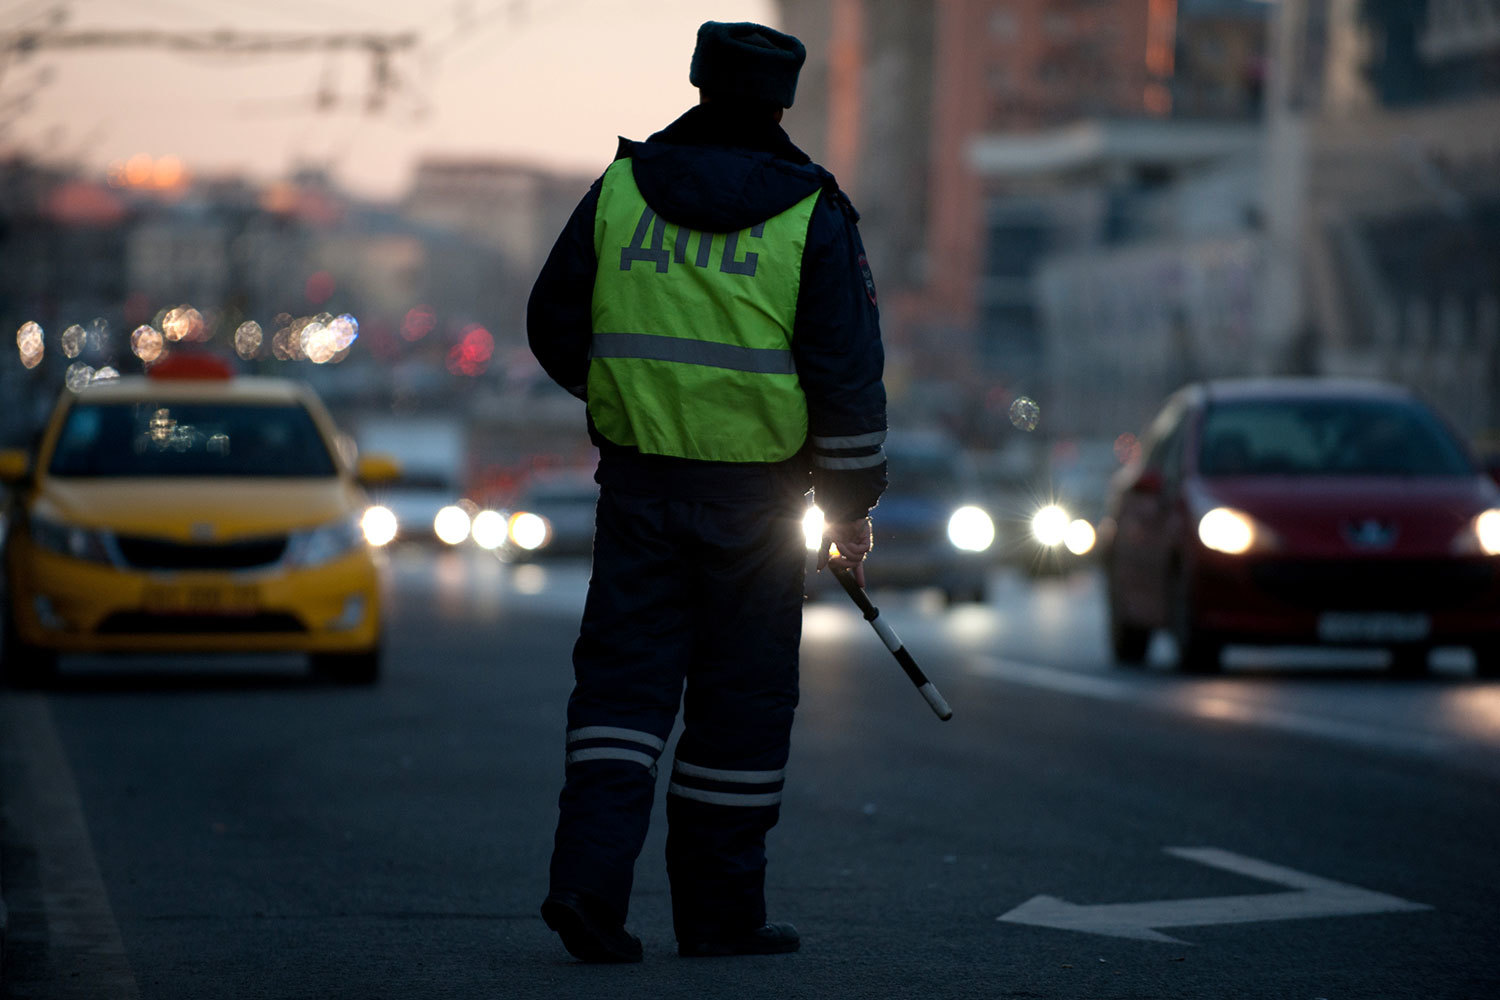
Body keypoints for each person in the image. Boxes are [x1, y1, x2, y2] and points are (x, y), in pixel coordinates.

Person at [526, 19, 888, 963]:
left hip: (639, 491)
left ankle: (587, 891)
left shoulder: (621, 188)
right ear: (783, 100)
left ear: (697, 80)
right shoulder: (812, 210)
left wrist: (623, 397)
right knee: (741, 707)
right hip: (757, 509)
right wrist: (849, 511)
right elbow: (848, 376)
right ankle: (720, 915)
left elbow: (552, 322)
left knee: (620, 695)